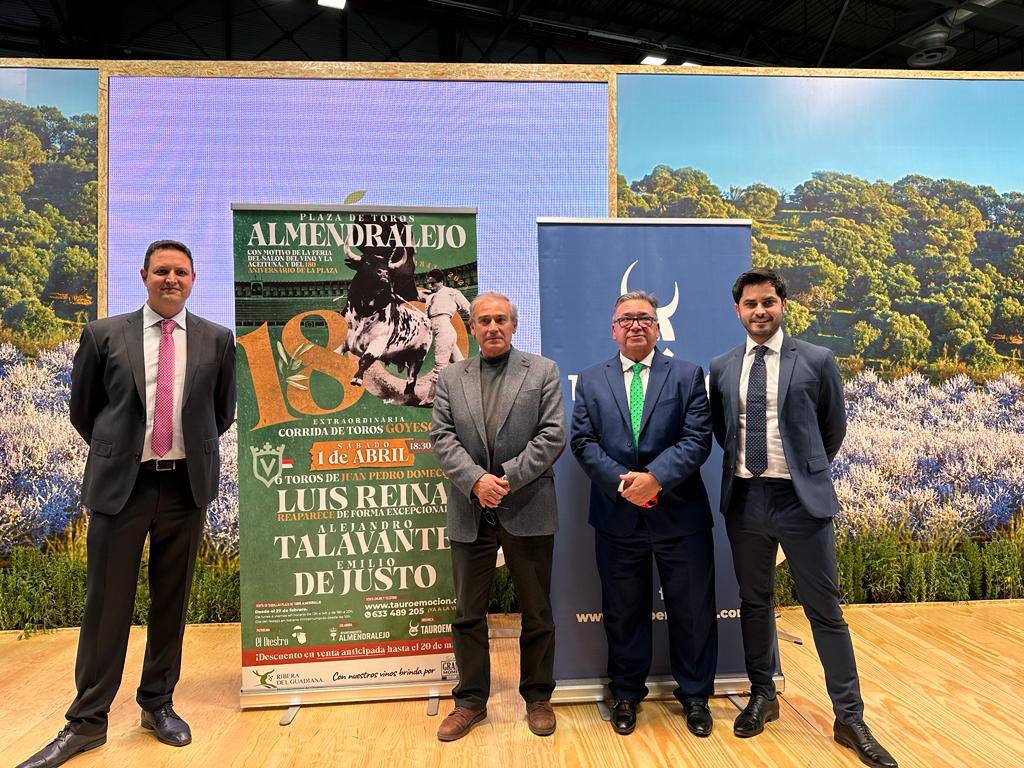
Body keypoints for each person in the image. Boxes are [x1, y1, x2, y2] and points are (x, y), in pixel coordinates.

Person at [17, 240, 236, 768]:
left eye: (181, 272)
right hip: (123, 487)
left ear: (193, 278)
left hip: (186, 488)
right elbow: (84, 412)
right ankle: (87, 722)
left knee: (171, 602)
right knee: (105, 606)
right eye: (161, 270)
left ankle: (157, 705)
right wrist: (124, 452)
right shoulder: (103, 334)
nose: (171, 279)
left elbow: (220, 413)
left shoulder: (217, 339)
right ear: (143, 275)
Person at [708, 268, 897, 768]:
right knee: (754, 603)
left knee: (825, 611)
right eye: (750, 304)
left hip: (800, 501)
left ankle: (850, 718)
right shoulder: (722, 367)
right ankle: (763, 696)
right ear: (738, 311)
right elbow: (724, 433)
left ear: (783, 305)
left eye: (768, 302)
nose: (760, 311)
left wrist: (804, 473)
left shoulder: (816, 359)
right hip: (745, 500)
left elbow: (831, 428)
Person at [571, 290, 717, 738]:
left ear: (658, 328)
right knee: (623, 612)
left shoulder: (688, 375)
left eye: (645, 318)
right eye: (626, 318)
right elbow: (582, 442)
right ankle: (627, 695)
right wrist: (624, 482)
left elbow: (697, 439)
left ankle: (694, 696)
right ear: (613, 329)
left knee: (692, 611)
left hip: (680, 517)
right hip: (618, 517)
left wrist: (654, 478)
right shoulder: (592, 381)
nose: (636, 325)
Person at [430, 291, 565, 741]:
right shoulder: (450, 378)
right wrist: (475, 481)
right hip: (470, 511)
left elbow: (552, 436)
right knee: (468, 613)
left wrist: (504, 478)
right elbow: (442, 438)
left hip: (526, 506)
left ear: (514, 325)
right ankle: (470, 701)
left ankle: (538, 697)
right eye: (484, 320)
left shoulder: (542, 371)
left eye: (500, 320)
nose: (492, 327)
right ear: (471, 327)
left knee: (537, 610)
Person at [418, 268, 471, 380]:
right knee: (461, 366)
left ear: (441, 281)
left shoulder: (453, 293)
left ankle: (431, 397)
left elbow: (470, 308)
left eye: (433, 284)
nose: (430, 286)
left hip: (444, 331)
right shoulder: (429, 295)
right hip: (436, 331)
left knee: (440, 368)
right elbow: (412, 294)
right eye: (428, 284)